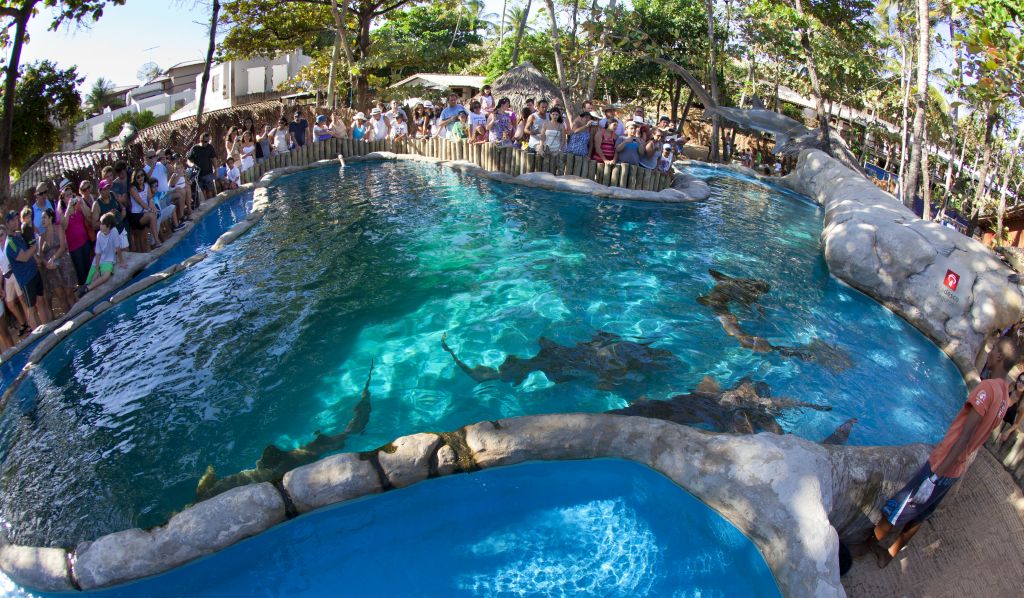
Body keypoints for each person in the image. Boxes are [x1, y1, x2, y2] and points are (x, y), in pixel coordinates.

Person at [868, 336, 1020, 568]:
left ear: (1000, 357)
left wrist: (936, 473)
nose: (988, 352)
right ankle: (890, 553)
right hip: (958, 468)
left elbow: (965, 434)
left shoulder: (987, 388)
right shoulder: (1004, 397)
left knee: (899, 505)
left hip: (943, 464)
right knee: (923, 512)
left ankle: (867, 545)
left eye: (993, 349)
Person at [5, 214, 49, 327]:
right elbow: (23, 257)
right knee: (31, 309)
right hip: (26, 279)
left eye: (16, 219)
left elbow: (30, 246)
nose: (16, 222)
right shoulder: (10, 243)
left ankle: (47, 327)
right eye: (12, 220)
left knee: (41, 301)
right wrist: (34, 247)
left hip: (34, 272)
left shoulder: (19, 235)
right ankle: (35, 334)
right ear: (7, 223)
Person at [38, 208, 76, 314]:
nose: (42, 220)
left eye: (44, 217)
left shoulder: (58, 228)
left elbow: (63, 247)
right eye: (42, 218)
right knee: (60, 296)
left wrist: (53, 259)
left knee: (69, 293)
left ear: (50, 218)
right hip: (51, 270)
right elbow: (40, 255)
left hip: (63, 263)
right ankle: (68, 319)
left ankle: (76, 314)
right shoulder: (42, 237)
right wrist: (47, 263)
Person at [78, 212, 119, 294]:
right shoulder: (99, 234)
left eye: (102, 224)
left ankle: (88, 288)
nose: (100, 225)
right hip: (98, 261)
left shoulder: (114, 231)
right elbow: (98, 253)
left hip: (108, 260)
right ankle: (87, 288)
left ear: (108, 226)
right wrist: (97, 269)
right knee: (91, 279)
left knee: (106, 275)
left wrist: (122, 261)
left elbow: (118, 248)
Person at [0, 217, 28, 335]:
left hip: (15, 273)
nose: (0, 237)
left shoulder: (10, 243)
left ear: (5, 233)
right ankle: (23, 323)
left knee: (22, 299)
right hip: (6, 277)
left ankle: (30, 322)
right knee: (10, 303)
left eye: (1, 234)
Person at [62, 183, 93, 286]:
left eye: (71, 194)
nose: (70, 197)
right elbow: (64, 226)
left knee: (89, 268)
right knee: (81, 272)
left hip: (85, 241)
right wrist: (68, 210)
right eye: (67, 195)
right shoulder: (63, 212)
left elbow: (89, 216)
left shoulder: (78, 207)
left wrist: (82, 204)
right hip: (74, 247)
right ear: (63, 199)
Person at [94, 179, 127, 267]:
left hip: (121, 229)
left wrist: (123, 211)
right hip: (110, 235)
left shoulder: (112, 194)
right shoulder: (97, 204)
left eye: (108, 188)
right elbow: (94, 225)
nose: (107, 191)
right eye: (104, 189)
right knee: (115, 259)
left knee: (127, 253)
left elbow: (120, 206)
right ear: (100, 191)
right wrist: (107, 216)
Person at [128, 169, 160, 250]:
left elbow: (150, 199)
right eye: (138, 177)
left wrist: (153, 208)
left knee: (156, 214)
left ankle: (154, 241)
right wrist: (150, 210)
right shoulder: (132, 188)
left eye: (142, 175)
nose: (141, 178)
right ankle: (156, 241)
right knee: (152, 216)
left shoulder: (146, 185)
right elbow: (140, 202)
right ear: (135, 179)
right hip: (136, 215)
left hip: (146, 212)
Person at [186, 133, 217, 199]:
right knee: (202, 191)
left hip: (208, 173)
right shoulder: (195, 148)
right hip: (198, 174)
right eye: (205, 141)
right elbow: (188, 160)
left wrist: (215, 169)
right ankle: (206, 205)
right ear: (201, 140)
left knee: (209, 190)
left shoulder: (210, 147)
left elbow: (213, 159)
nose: (207, 143)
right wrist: (192, 165)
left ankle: (211, 205)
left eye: (208, 141)